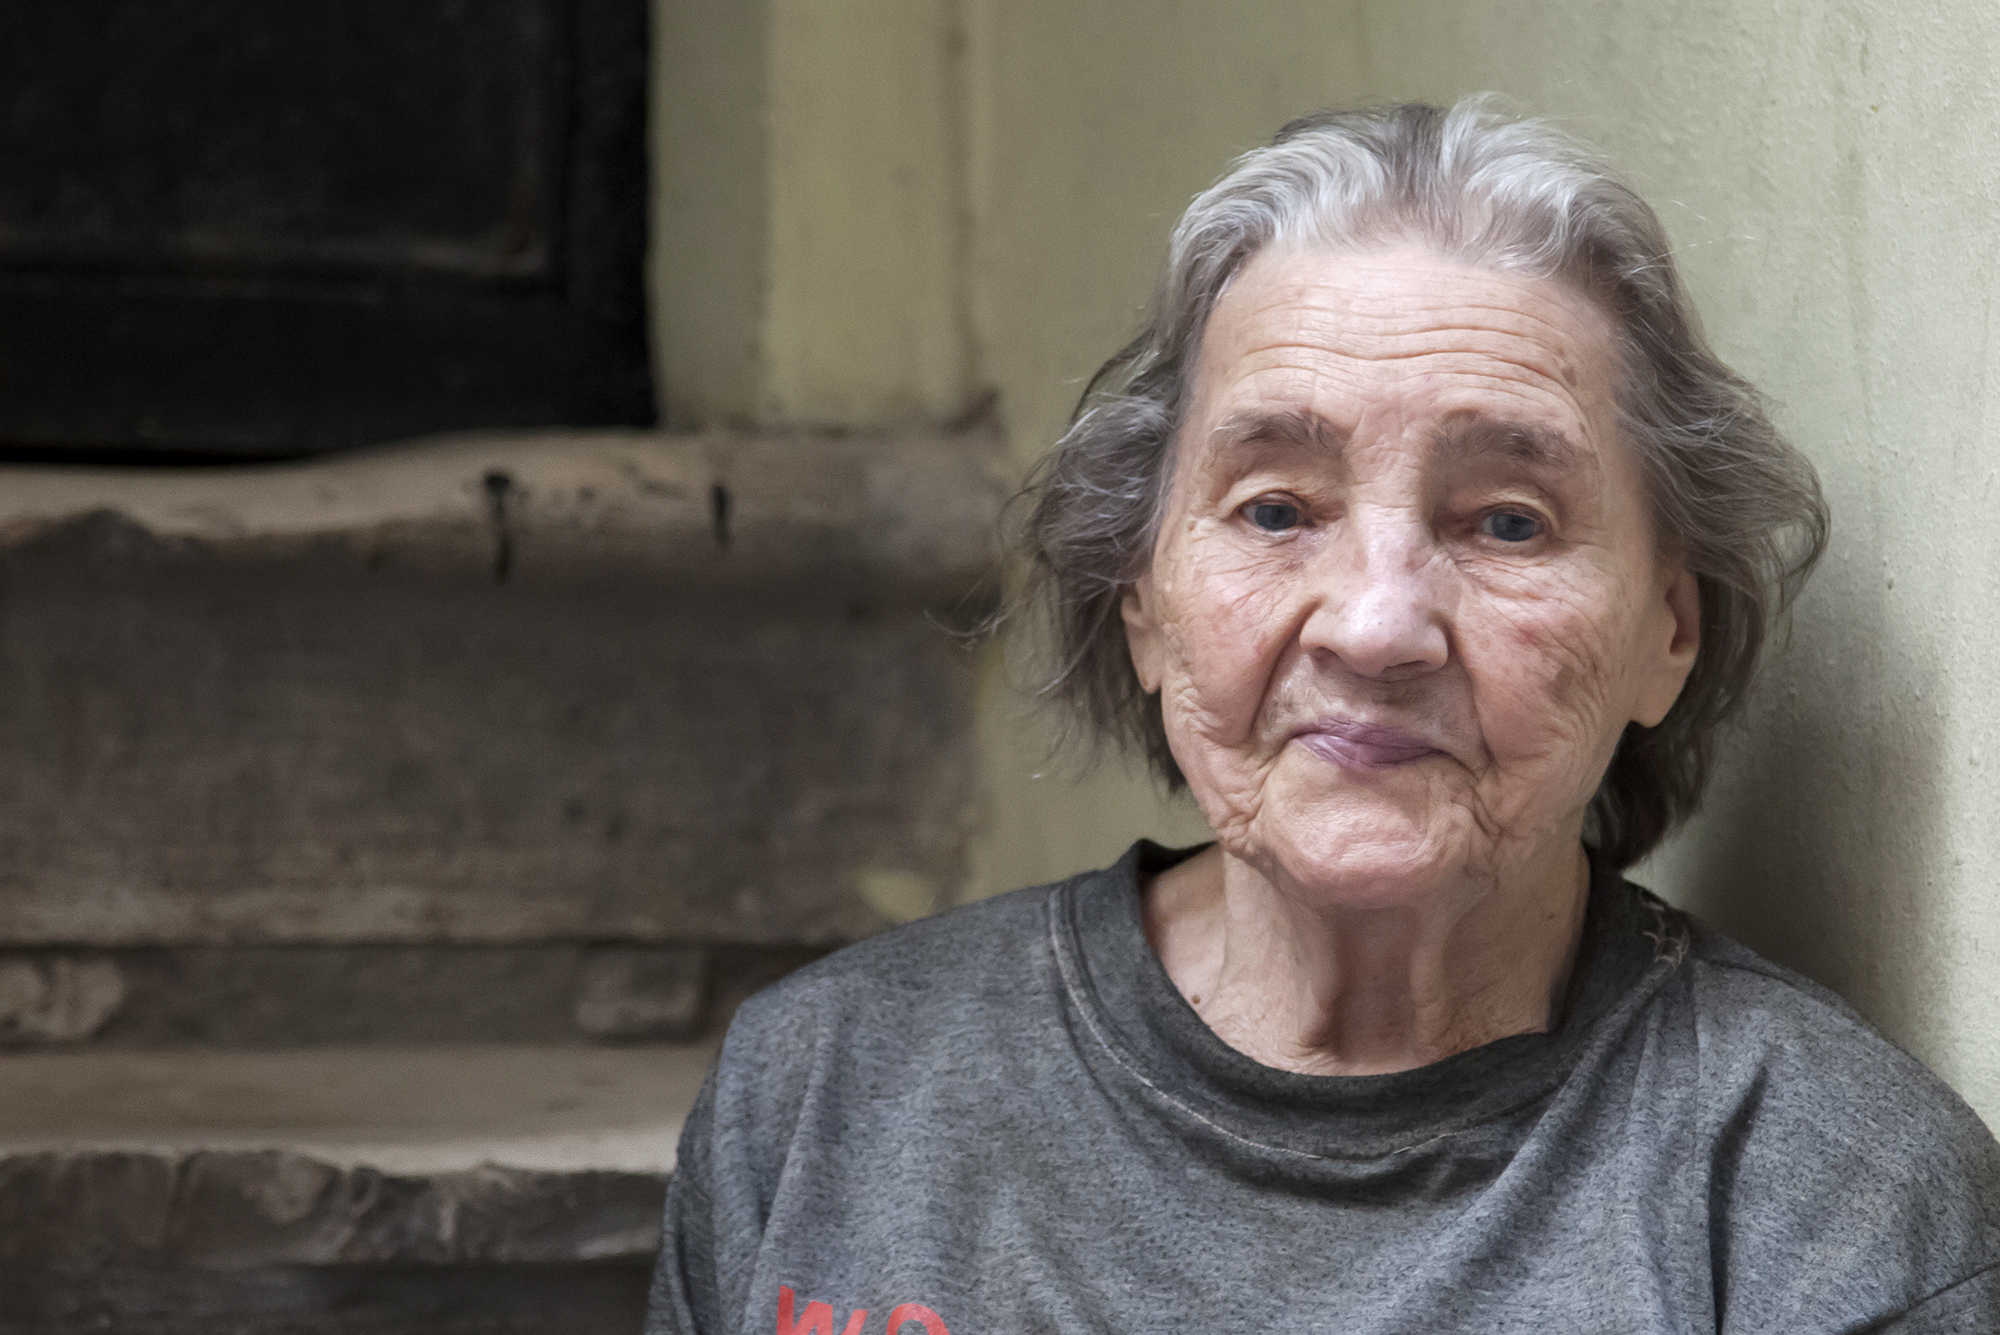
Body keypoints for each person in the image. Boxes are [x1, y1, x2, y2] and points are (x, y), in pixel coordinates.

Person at [649, 100, 2000, 1333]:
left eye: (1507, 522)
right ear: (1145, 604)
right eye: (1277, 509)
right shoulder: (828, 1090)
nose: (1374, 625)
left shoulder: (1828, 1202)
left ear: (1669, 633)